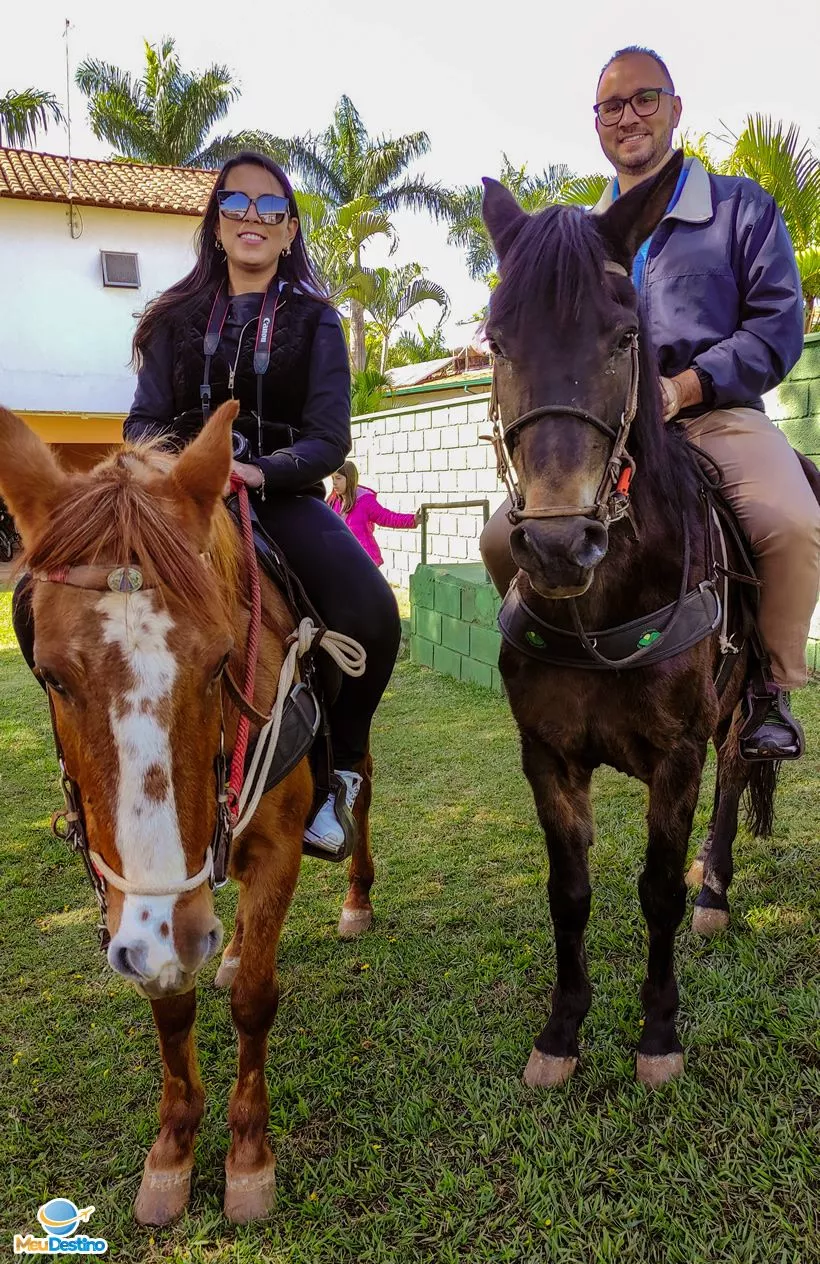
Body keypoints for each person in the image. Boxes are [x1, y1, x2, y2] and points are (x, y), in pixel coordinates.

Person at [13, 151, 402, 854]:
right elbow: (142, 421)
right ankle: (82, 776)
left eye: (271, 207)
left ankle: (342, 769)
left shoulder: (316, 321)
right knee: (33, 602)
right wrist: (173, 475)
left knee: (370, 610)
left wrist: (254, 473)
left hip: (277, 497)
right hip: (175, 505)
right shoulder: (172, 317)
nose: (253, 217)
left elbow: (327, 438)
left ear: (288, 232)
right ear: (216, 222)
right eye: (237, 203)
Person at [480, 46, 820, 760]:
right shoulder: (574, 230)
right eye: (612, 105)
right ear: (596, 122)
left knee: (790, 522)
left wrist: (686, 386)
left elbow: (776, 325)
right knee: (494, 537)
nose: (628, 115)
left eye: (645, 98)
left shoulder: (739, 208)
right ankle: (554, 655)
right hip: (609, 430)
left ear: (675, 108)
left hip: (712, 413)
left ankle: (768, 693)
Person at [328, 461, 419, 567]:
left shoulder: (365, 501)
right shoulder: (333, 502)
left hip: (365, 560)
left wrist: (413, 520)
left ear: (350, 479)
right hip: (343, 559)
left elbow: (386, 517)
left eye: (338, 478)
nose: (334, 483)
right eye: (332, 478)